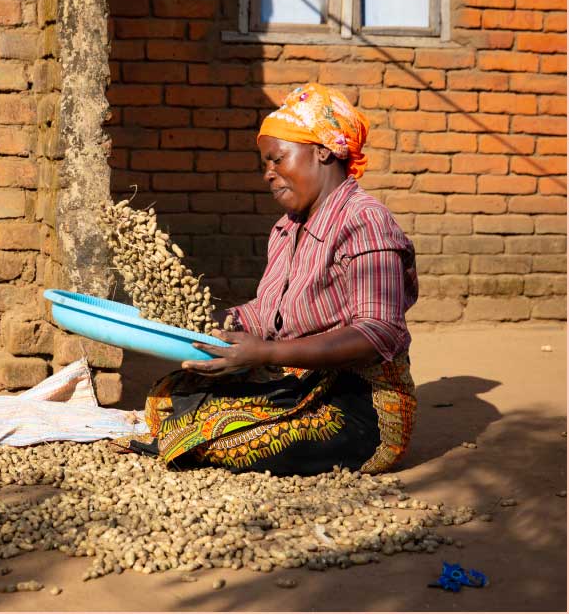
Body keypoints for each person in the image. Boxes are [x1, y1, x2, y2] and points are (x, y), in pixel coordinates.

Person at [126, 82, 418, 476]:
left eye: (277, 160)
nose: (268, 174)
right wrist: (207, 323)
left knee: (223, 440)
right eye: (265, 164)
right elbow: (267, 313)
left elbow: (378, 332)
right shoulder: (286, 229)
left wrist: (266, 354)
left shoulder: (365, 220)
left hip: (357, 401)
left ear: (323, 151)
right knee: (167, 398)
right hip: (296, 381)